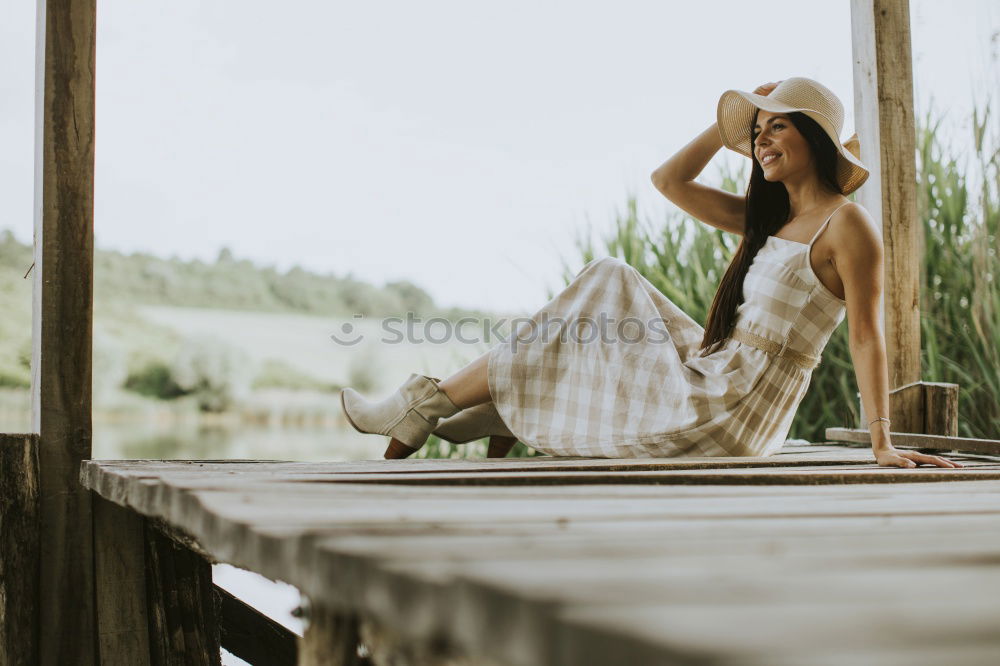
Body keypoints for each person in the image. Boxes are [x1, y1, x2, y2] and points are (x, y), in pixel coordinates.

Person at [340, 77, 962, 470]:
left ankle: (432, 404)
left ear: (816, 138)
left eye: (778, 126)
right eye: (759, 131)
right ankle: (478, 402)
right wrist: (729, 130)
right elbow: (670, 182)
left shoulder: (846, 226)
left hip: (735, 408)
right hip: (717, 370)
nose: (764, 140)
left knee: (608, 279)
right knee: (610, 282)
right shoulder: (766, 220)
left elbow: (865, 335)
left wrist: (882, 440)